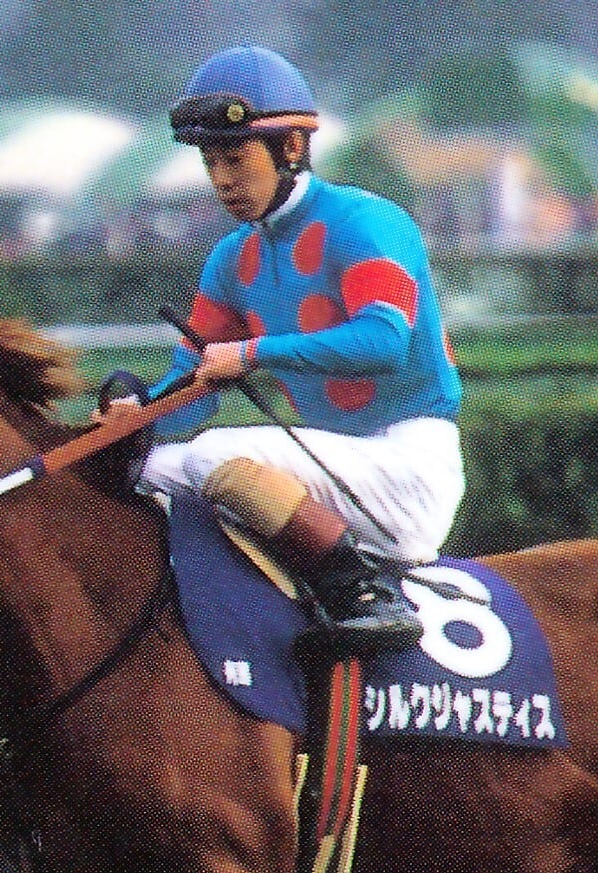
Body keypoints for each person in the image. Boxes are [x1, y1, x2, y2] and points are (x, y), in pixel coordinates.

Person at [115, 44, 466, 656]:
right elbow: (193, 386)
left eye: (235, 158)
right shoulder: (232, 259)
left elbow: (384, 341)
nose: (221, 180)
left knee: (215, 454)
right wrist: (135, 415)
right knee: (143, 472)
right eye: (210, 162)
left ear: (291, 148)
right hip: (324, 471)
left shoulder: (367, 223)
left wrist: (252, 354)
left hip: (406, 468)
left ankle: (364, 593)